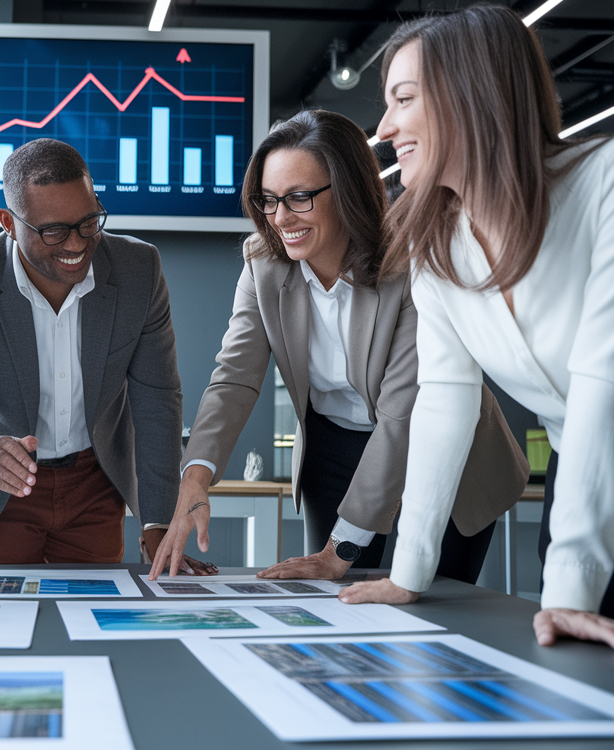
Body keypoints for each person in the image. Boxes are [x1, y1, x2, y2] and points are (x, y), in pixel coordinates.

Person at [342, 3, 614, 658]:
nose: (386, 126)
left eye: (403, 99)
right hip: (590, 487)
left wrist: (570, 587)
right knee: (603, 690)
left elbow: (605, 380)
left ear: (470, 90)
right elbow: (445, 403)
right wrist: (409, 570)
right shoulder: (436, 246)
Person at [150, 110, 527, 581]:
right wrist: (196, 478)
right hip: (333, 452)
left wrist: (340, 548)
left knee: (432, 610)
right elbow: (235, 377)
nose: (281, 217)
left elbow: (402, 415)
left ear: (347, 190)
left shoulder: (410, 263)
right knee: (335, 608)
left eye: (300, 198)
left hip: (438, 449)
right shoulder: (263, 265)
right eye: (268, 200)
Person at [0, 138, 211, 570]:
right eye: (53, 230)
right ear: (8, 221)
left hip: (94, 485)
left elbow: (157, 402)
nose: (76, 243)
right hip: (5, 487)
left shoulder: (139, 269)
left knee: (95, 620)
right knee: (4, 616)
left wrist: (157, 524)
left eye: (88, 222)